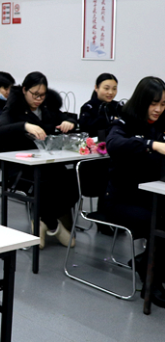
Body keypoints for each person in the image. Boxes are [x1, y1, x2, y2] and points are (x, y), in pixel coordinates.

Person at [0, 71, 78, 248]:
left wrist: (69, 122)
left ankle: (43, 222)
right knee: (46, 182)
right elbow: (0, 130)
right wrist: (25, 125)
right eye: (35, 95)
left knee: (72, 181)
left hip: (48, 163)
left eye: (43, 95)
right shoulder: (14, 108)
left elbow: (66, 118)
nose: (39, 99)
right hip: (21, 168)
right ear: (24, 90)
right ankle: (53, 225)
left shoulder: (48, 107)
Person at [105, 76, 165, 306]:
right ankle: (151, 283)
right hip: (121, 201)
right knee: (157, 225)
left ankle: (146, 261)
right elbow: (114, 144)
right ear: (142, 101)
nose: (158, 109)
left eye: (163, 104)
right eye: (154, 103)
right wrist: (151, 145)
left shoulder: (160, 121)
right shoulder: (124, 121)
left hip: (151, 197)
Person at [79, 73, 122, 140]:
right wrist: (111, 120)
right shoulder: (88, 107)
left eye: (114, 89)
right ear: (96, 88)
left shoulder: (118, 106)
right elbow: (85, 129)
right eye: (106, 88)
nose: (110, 92)